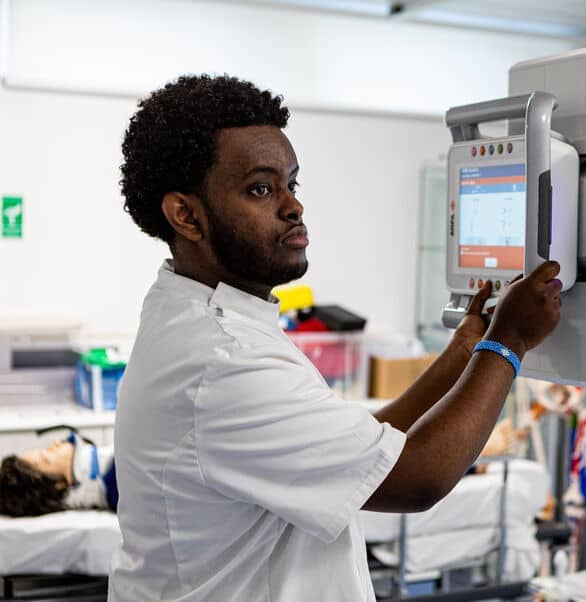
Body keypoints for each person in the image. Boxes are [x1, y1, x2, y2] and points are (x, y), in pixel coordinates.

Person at [108, 74, 562, 601]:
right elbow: (418, 477)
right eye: (260, 189)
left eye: (290, 184)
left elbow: (367, 449)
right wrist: (508, 343)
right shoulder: (223, 361)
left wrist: (461, 355)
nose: (292, 207)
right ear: (186, 215)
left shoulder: (199, 320)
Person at [0, 428, 118, 516]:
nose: (55, 444)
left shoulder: (119, 462)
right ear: (59, 485)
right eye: (45, 456)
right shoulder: (120, 482)